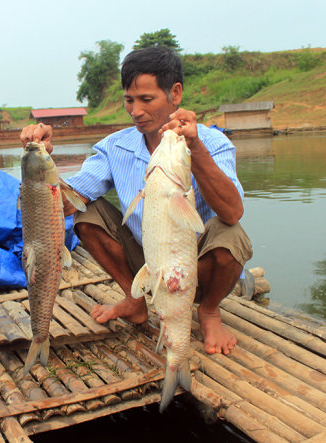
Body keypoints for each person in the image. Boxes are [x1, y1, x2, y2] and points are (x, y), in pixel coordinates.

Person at [19, 47, 252, 356]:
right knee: (87, 216)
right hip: (147, 259)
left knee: (231, 233)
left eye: (146, 100)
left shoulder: (211, 143)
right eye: (129, 100)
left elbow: (233, 210)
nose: (136, 111)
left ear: (175, 93)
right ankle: (135, 301)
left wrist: (194, 149)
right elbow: (66, 204)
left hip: (194, 263)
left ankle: (208, 310)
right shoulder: (114, 147)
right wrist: (42, 163)